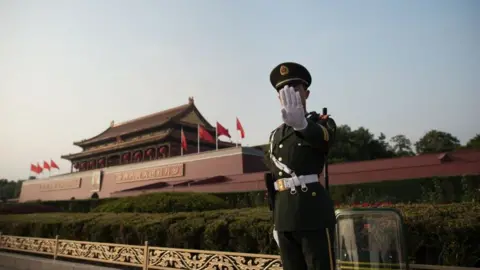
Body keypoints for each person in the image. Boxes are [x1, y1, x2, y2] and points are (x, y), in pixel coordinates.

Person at [265, 62, 337, 270]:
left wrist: (303, 125)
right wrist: (277, 220)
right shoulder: (275, 135)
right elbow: (275, 178)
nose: (290, 93)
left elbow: (325, 141)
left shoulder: (320, 123)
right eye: (284, 91)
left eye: (296, 88)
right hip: (284, 216)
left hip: (312, 212)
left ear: (307, 93)